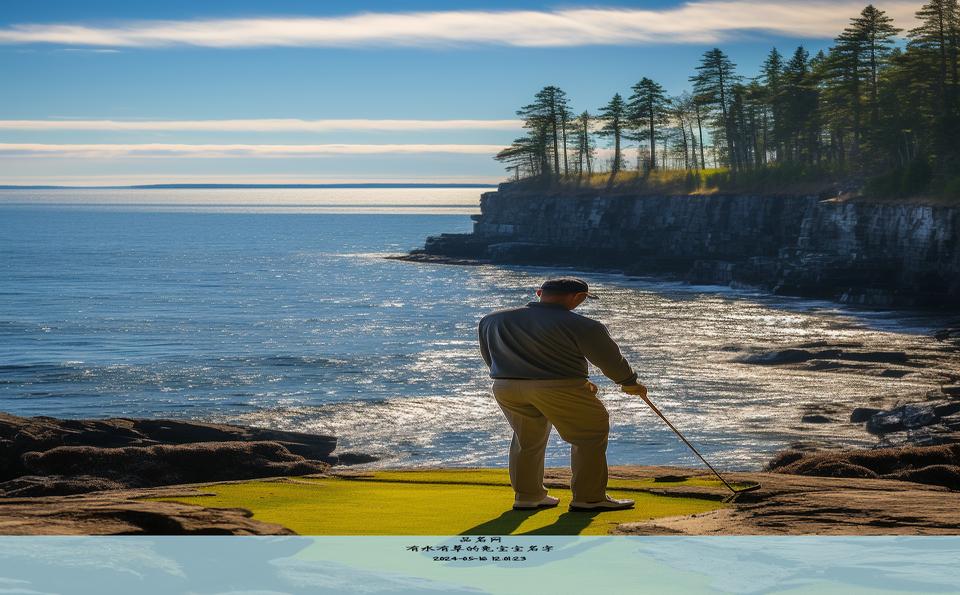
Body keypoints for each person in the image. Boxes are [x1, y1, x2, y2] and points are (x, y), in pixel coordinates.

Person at [478, 277, 648, 512]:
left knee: (526, 439)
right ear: (578, 297)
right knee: (590, 433)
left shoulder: (492, 319)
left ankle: (527, 497)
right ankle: (588, 498)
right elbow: (610, 361)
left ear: (539, 293)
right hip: (557, 386)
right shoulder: (584, 325)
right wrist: (628, 382)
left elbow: (490, 357)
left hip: (505, 386)